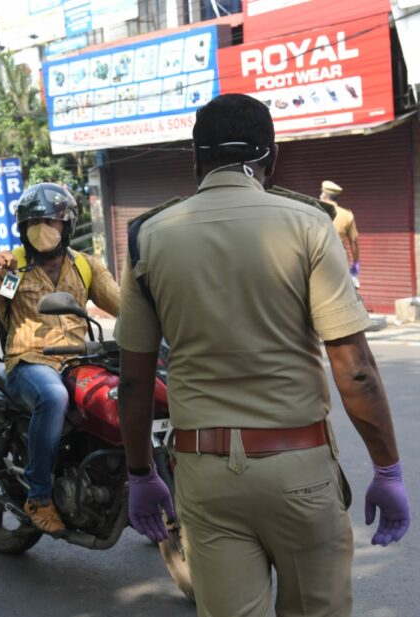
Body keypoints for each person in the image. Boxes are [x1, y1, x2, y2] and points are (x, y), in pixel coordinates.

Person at [116, 94, 410, 617]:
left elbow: (135, 382)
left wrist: (140, 473)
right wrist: (387, 469)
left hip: (205, 477)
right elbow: (356, 369)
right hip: (300, 468)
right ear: (271, 159)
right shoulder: (310, 225)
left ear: (193, 160)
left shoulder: (148, 238)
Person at [0, 183, 120, 534]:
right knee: (53, 397)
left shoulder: (86, 267)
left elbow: (125, 307)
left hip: (79, 362)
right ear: (22, 228)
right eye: (34, 223)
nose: (42, 230)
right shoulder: (11, 267)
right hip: (28, 363)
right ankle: (39, 496)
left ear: (66, 225)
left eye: (50, 222)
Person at [320, 179, 361, 283]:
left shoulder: (316, 211)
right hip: (340, 262)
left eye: (321, 192)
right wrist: (356, 263)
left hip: (319, 261)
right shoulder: (347, 215)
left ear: (324, 195)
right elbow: (354, 242)